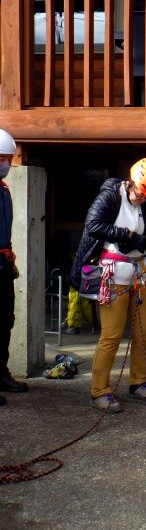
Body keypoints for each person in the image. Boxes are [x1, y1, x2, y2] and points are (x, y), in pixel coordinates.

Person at [70, 158, 146, 413]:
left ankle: (140, 381)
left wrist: (140, 241)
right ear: (130, 182)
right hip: (114, 274)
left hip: (141, 273)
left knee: (145, 332)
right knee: (111, 335)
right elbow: (93, 225)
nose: (142, 199)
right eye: (140, 193)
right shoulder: (110, 197)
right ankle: (100, 390)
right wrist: (126, 236)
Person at [0, 129, 28, 405]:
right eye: (2, 158)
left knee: (5, 320)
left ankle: (1, 372)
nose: (7, 164)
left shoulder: (4, 190)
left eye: (8, 158)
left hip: (4, 264)